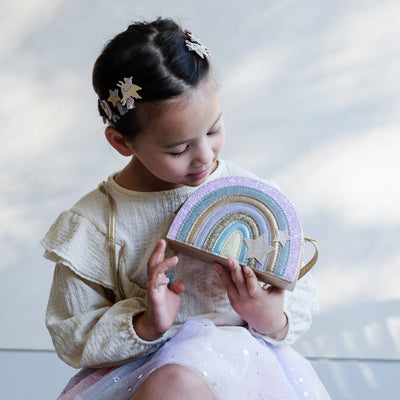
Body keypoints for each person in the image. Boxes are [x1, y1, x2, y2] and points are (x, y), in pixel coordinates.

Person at [42, 17, 331, 400]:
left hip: (246, 370)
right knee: (174, 384)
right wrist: (146, 323)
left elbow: (299, 292)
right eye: (178, 149)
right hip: (142, 377)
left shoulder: (252, 198)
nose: (204, 157)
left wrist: (268, 313)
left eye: (214, 130)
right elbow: (71, 333)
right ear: (121, 142)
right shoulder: (96, 224)